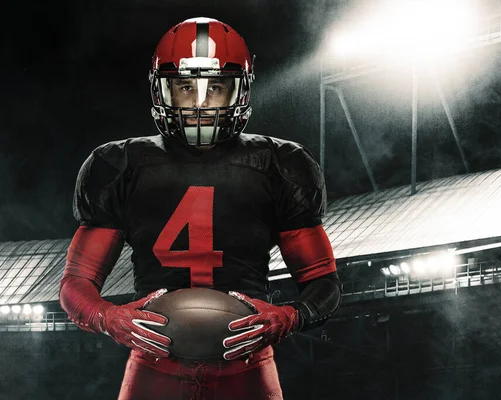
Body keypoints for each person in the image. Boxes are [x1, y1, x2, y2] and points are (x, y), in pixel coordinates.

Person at [58, 16, 342, 400]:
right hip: (154, 363)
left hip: (248, 365)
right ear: (161, 90)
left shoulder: (280, 163)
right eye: (186, 87)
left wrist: (289, 316)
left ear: (241, 91)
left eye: (218, 88)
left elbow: (323, 284)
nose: (201, 104)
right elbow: (76, 283)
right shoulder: (119, 165)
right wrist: (106, 317)